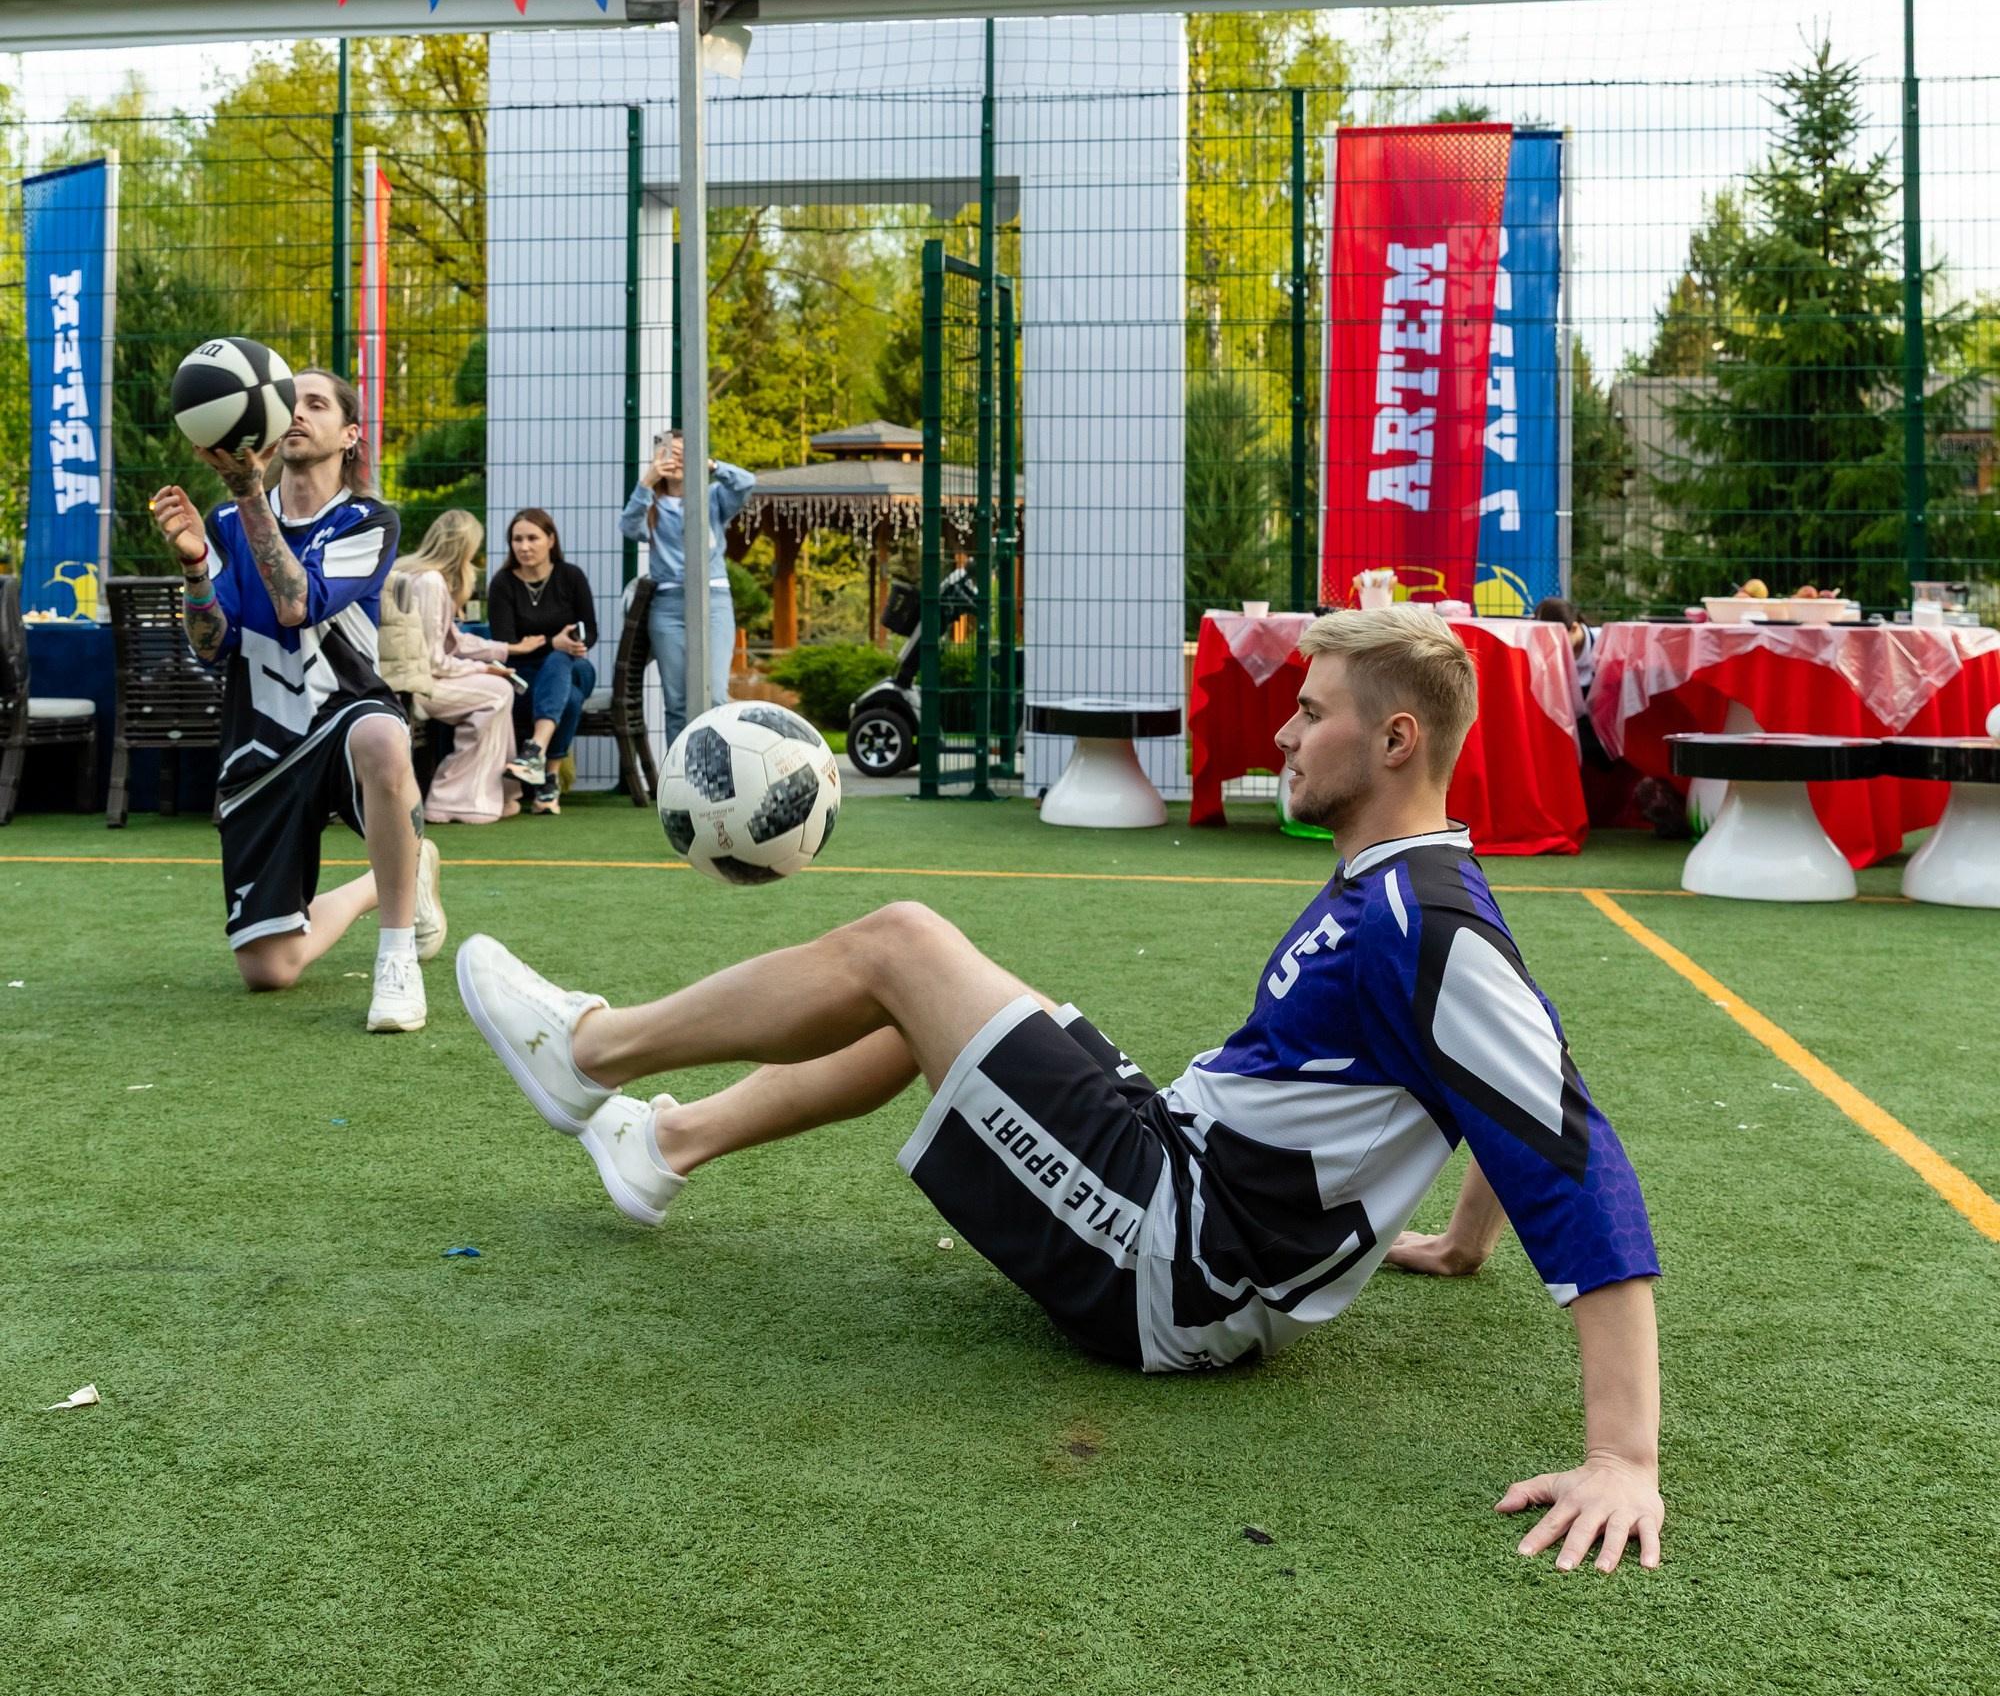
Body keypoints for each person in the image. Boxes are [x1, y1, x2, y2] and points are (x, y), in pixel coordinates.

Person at [457, 605, 1664, 1571]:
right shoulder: (1411, 893)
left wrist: (1621, 1455)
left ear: (1395, 741)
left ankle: (591, 1053)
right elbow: (1527, 1068)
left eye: (1310, 715)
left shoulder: (1420, 917)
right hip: (1180, 1175)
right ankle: (663, 1148)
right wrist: (1456, 1246)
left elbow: (1565, 1138)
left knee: (898, 942)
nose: (1285, 737)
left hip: (1172, 1263)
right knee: (938, 1010)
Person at [149, 366, 445, 1032]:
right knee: (269, 970)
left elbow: (295, 603)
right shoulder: (224, 522)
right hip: (259, 740)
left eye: (318, 404)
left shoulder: (368, 520)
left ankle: (396, 959)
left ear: (350, 435)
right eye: (291, 403)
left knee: (382, 736)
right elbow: (209, 643)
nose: (300, 413)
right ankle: (396, 873)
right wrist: (196, 565)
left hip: (343, 716)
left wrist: (251, 495)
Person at [621, 432, 756, 747]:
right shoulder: (651, 503)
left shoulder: (711, 497)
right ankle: (680, 780)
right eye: (669, 453)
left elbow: (746, 483)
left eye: (684, 453)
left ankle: (721, 772)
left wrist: (709, 465)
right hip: (668, 604)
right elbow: (630, 527)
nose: (676, 460)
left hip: (714, 598)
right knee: (678, 701)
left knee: (715, 693)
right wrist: (646, 482)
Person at [397, 510, 521, 824]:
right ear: (464, 548)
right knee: (497, 694)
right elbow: (432, 661)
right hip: (415, 686)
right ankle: (455, 798)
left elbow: (452, 641)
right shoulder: (430, 582)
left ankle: (496, 793)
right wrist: (481, 670)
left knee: (499, 690)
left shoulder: (415, 574)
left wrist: (503, 652)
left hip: (410, 680)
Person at [485, 508, 598, 813]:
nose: (524, 546)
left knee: (560, 660)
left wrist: (572, 643)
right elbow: (506, 644)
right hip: (524, 680)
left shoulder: (570, 576)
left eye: (532, 538)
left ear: (550, 539)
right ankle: (548, 783)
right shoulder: (503, 584)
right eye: (517, 539)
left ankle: (533, 751)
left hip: (576, 668)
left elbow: (592, 630)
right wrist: (552, 641)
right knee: (570, 699)